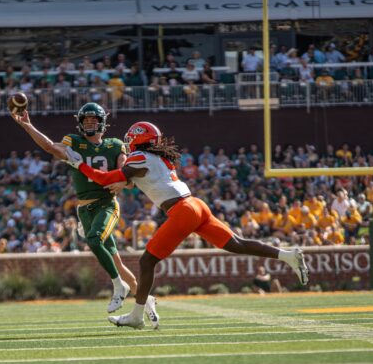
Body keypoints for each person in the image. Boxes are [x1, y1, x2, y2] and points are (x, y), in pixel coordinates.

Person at [63, 121, 309, 330]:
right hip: (196, 205)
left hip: (183, 210)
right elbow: (133, 178)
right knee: (236, 244)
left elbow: (105, 178)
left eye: (132, 138)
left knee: (147, 262)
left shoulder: (139, 157)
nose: (128, 143)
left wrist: (79, 164)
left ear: (139, 139)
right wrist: (122, 182)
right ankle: (286, 255)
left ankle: (137, 316)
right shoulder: (156, 157)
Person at [10, 102, 157, 323]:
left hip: (106, 204)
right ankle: (146, 301)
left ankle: (119, 286)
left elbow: (125, 170)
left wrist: (123, 180)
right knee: (116, 260)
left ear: (102, 123)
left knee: (94, 239)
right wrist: (28, 126)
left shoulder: (115, 145)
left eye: (93, 120)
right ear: (80, 123)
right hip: (84, 209)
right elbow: (51, 147)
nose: (89, 123)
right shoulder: (74, 142)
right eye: (86, 120)